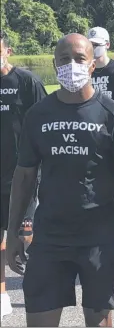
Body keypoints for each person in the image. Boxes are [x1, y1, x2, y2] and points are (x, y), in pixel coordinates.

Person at [6, 33, 114, 328]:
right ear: (55, 66)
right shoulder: (38, 115)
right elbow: (25, 175)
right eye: (64, 59)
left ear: (92, 65)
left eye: (80, 59)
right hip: (49, 237)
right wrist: (14, 229)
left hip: (99, 238)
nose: (72, 65)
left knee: (98, 321)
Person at [0, 31, 47, 321]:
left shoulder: (26, 82)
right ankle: (2, 294)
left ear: (8, 51)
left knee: (24, 238)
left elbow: (45, 121)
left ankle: (38, 290)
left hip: (23, 177)